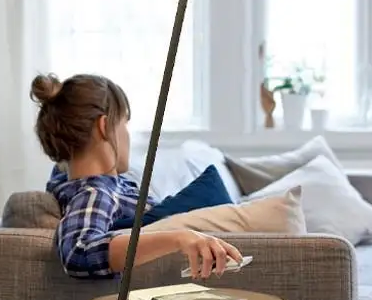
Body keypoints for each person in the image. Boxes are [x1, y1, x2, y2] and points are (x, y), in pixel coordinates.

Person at [30, 72, 243, 280]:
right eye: (124, 123)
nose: (128, 135)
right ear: (104, 126)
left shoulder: (95, 185)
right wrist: (179, 237)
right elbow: (79, 252)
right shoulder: (95, 192)